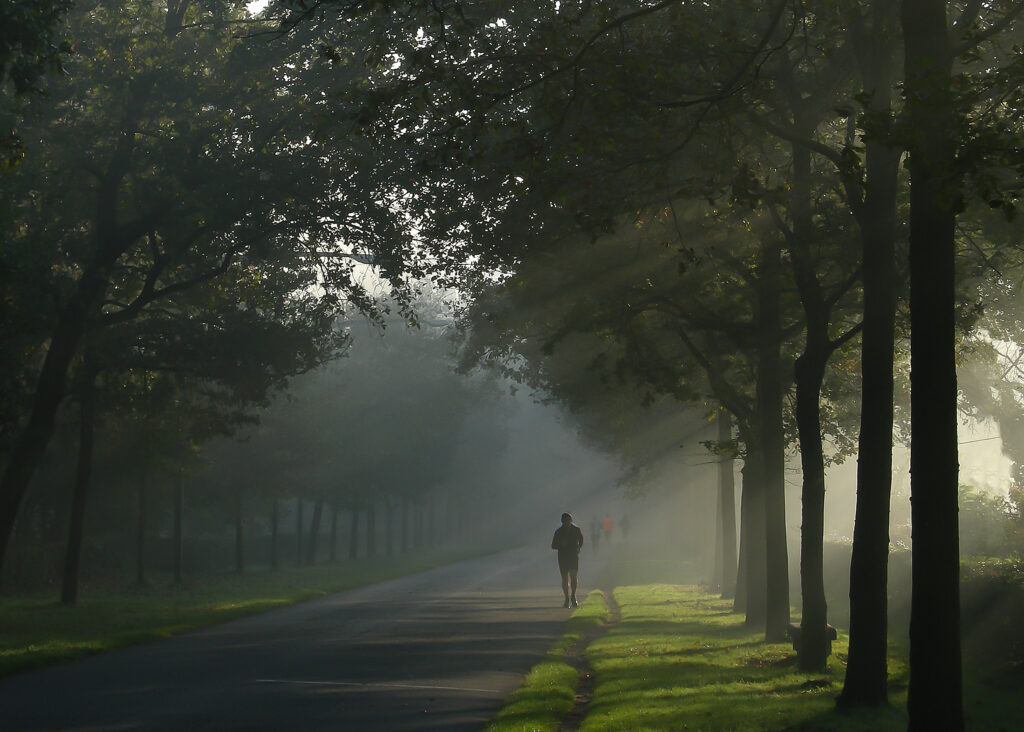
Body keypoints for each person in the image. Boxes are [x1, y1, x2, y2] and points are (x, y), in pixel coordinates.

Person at [551, 512, 584, 608]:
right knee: (565, 578)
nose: (567, 523)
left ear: (571, 521)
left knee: (574, 576)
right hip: (563, 557)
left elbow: (581, 539)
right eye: (565, 521)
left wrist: (579, 547)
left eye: (569, 521)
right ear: (562, 522)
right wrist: (561, 545)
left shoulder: (576, 530)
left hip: (573, 555)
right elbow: (553, 545)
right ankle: (567, 598)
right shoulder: (558, 532)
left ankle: (573, 595)